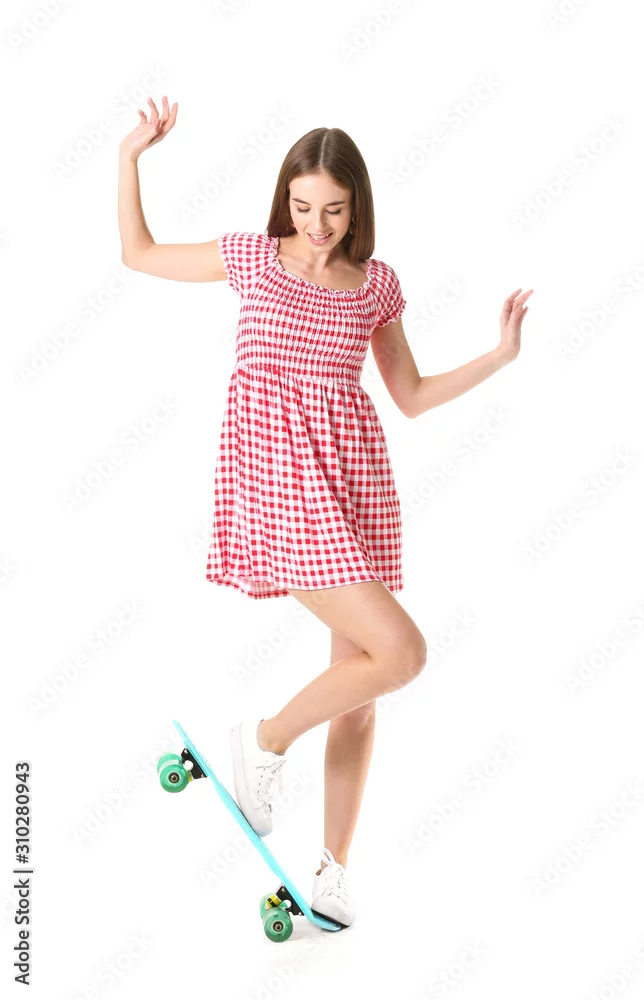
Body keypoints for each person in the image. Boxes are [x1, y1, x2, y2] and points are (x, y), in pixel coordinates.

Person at [118, 96, 533, 929]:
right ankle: (263, 741)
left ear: (356, 207)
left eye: (334, 210)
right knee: (404, 651)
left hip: (355, 485)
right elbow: (140, 253)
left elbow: (409, 395)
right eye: (303, 206)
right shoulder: (252, 257)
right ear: (286, 199)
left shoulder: (375, 284)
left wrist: (498, 356)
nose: (316, 225)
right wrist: (130, 157)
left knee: (364, 690)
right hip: (278, 483)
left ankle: (332, 871)